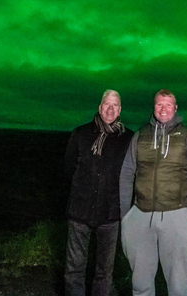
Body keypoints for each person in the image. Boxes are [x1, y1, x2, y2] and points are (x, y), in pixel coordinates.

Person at [119, 89, 187, 296]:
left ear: (176, 108)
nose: (164, 108)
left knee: (178, 285)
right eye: (159, 104)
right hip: (140, 216)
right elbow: (126, 174)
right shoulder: (140, 136)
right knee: (140, 283)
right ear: (154, 107)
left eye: (168, 104)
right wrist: (126, 214)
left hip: (177, 215)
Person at [64, 89, 134, 296]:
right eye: (106, 104)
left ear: (120, 110)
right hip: (79, 211)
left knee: (104, 271)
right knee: (74, 269)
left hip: (111, 214)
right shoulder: (80, 134)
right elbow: (68, 169)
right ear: (99, 107)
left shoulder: (129, 139)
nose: (110, 109)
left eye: (115, 105)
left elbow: (134, 174)